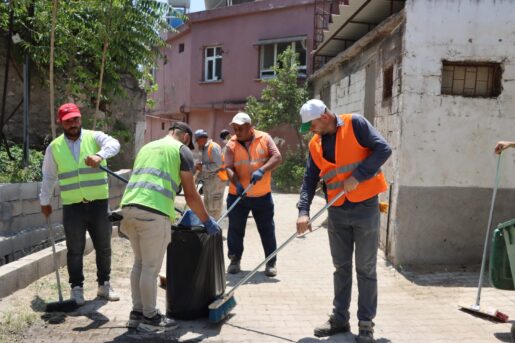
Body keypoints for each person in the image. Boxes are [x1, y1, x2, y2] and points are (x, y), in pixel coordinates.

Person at [296, 99, 391, 342]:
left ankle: (366, 324)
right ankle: (340, 319)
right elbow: (309, 180)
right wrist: (303, 212)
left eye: (313, 125)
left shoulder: (355, 123)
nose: (312, 131)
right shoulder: (315, 144)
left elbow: (383, 149)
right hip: (337, 210)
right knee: (341, 268)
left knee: (366, 268)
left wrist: (358, 176)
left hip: (365, 206)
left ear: (325, 116)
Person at [120, 121, 221, 333]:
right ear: (185, 137)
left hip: (128, 209)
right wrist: (206, 220)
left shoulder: (147, 147)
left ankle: (136, 313)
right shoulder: (181, 150)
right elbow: (191, 194)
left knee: (139, 263)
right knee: (150, 267)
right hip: (153, 214)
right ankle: (150, 316)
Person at [39, 103, 121, 305]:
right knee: (75, 250)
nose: (73, 123)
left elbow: (115, 144)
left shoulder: (95, 137)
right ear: (61, 123)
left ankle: (104, 285)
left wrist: (100, 155)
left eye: (75, 119)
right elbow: (48, 177)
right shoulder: (54, 147)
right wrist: (44, 200)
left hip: (98, 204)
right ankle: (77, 289)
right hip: (73, 207)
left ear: (80, 119)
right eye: (68, 121)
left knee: (103, 247)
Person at [224, 112, 282, 277]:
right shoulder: (231, 144)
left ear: (250, 127)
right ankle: (235, 260)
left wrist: (262, 170)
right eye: (234, 128)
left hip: (262, 195)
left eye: (240, 128)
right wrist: (237, 184)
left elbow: (277, 157)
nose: (237, 132)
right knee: (235, 229)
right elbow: (228, 167)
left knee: (267, 229)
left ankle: (270, 262)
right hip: (238, 195)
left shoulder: (265, 138)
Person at [194, 129, 228, 219]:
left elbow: (218, 165)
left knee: (214, 206)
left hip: (217, 180)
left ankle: (215, 227)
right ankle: (210, 227)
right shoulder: (204, 149)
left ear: (202, 138)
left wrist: (203, 167)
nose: (197, 143)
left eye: (197, 140)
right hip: (209, 180)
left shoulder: (213, 147)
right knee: (208, 204)